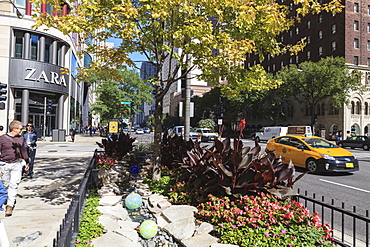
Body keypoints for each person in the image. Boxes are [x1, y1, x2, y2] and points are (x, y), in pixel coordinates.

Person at [0, 120, 29, 217]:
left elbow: (23, 150)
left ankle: (10, 205)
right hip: (4, 164)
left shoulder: (20, 138)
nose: (21, 131)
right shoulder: (2, 139)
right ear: (15, 129)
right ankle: (10, 198)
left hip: (17, 164)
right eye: (20, 129)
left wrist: (27, 162)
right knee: (6, 184)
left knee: (14, 184)